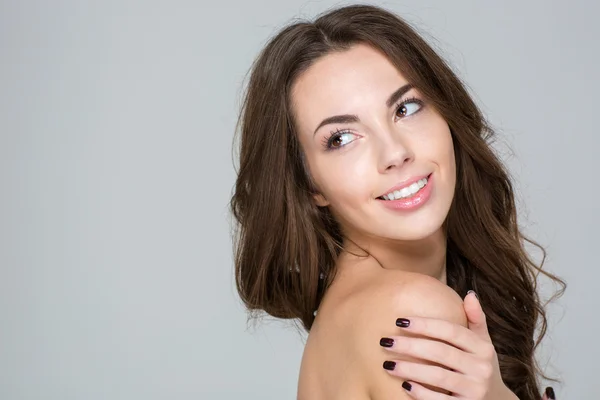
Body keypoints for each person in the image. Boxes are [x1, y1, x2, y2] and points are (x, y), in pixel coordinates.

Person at [229, 4, 565, 400]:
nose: (395, 152)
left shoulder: (347, 313)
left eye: (405, 108)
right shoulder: (411, 313)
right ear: (310, 185)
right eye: (342, 138)